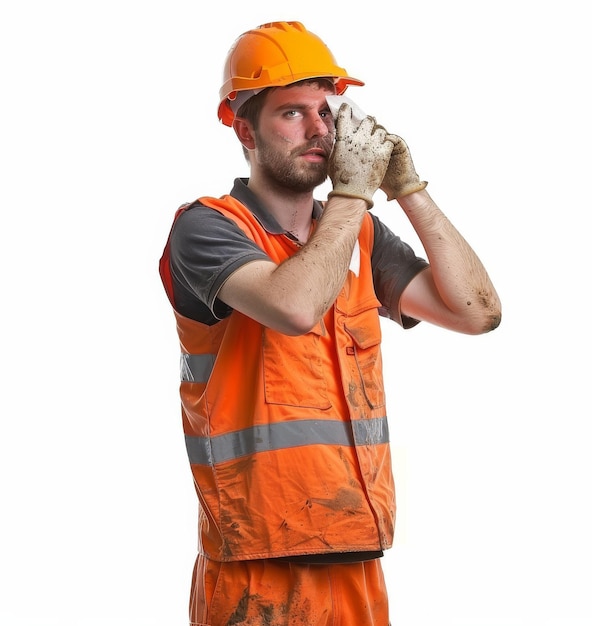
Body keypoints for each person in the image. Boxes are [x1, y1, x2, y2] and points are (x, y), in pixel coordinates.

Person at [159, 20, 501, 626]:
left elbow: (478, 313)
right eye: (292, 113)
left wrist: (407, 187)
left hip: (356, 552)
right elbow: (294, 305)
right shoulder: (208, 228)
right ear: (244, 128)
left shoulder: (358, 234)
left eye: (327, 112)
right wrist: (352, 194)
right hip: (257, 566)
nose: (319, 131)